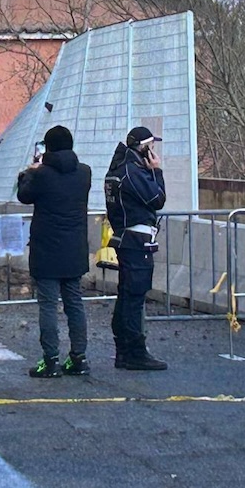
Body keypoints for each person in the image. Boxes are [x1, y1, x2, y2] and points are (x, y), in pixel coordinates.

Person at [17, 125, 92, 378]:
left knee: (48, 305)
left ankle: (50, 360)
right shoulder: (85, 173)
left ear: (46, 148)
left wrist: (28, 172)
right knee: (74, 303)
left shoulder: (41, 175)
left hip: (47, 249)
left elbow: (24, 196)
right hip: (75, 249)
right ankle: (78, 358)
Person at [103, 126, 169, 371]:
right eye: (151, 146)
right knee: (134, 297)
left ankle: (124, 350)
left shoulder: (116, 171)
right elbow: (157, 199)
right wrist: (157, 172)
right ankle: (134, 351)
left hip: (124, 237)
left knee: (126, 295)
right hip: (137, 240)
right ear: (144, 148)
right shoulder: (133, 173)